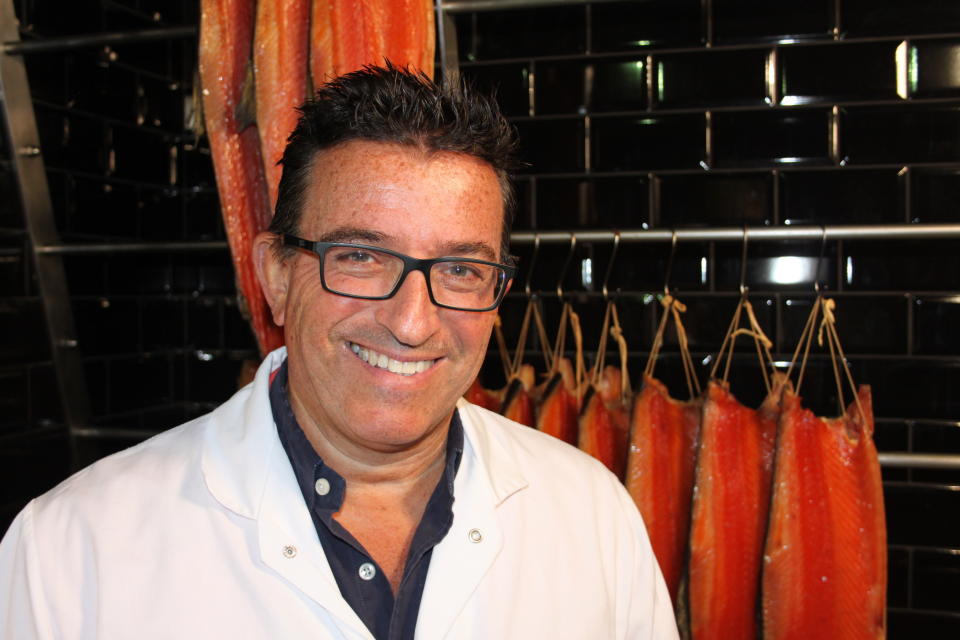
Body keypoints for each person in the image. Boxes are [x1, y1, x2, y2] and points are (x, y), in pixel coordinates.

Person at [0, 64, 678, 639]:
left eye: (463, 270)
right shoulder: (71, 549)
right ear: (276, 277)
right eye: (360, 256)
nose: (413, 323)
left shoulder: (592, 515)